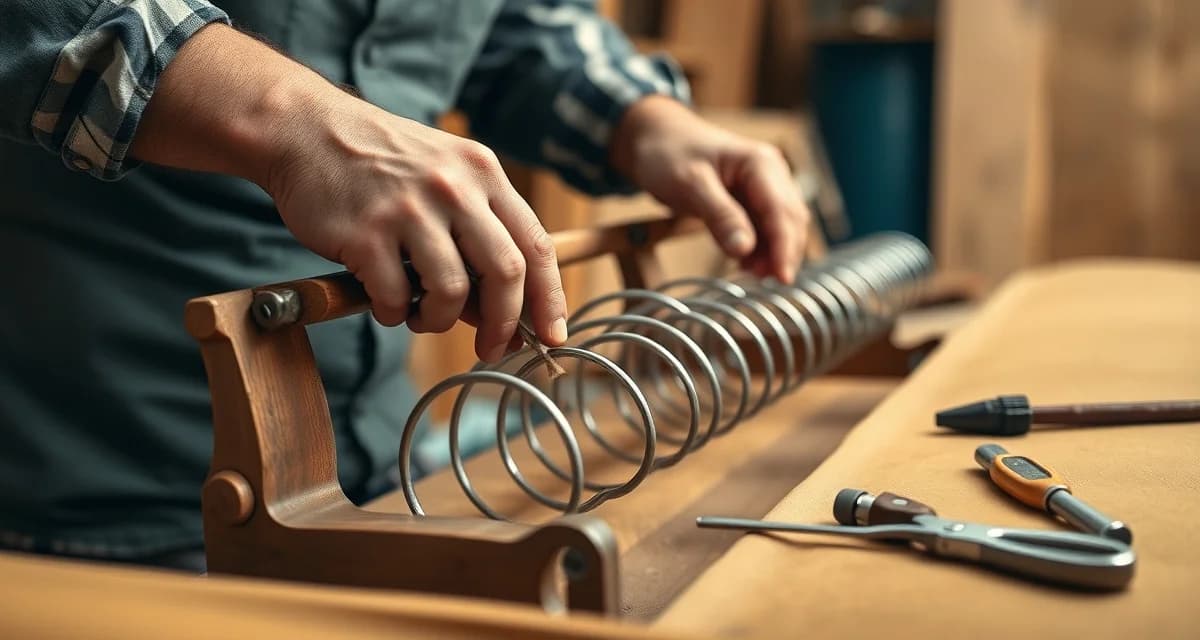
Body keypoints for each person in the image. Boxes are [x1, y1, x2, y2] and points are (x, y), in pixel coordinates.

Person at [0, 0, 809, 570]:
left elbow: (498, 23)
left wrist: (640, 116)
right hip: (83, 497)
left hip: (383, 478)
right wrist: (289, 117)